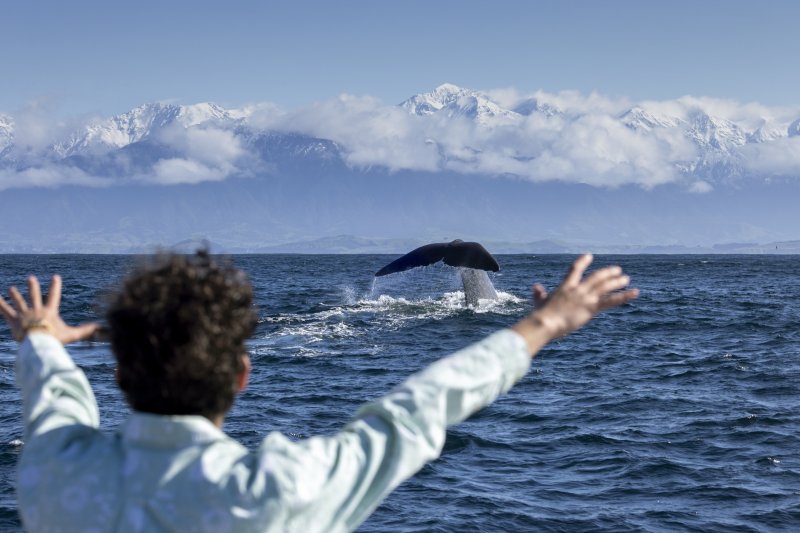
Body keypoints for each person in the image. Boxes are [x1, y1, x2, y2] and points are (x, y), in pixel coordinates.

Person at [1, 251, 638, 532]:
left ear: (117, 374)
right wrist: (547, 322)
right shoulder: (277, 491)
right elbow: (418, 407)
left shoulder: (54, 473)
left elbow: (56, 404)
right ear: (241, 375)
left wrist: (41, 337)